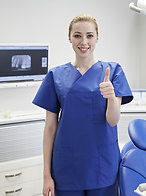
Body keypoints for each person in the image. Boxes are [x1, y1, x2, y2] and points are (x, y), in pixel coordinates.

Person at [33, 14, 133, 196]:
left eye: (89, 35)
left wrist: (111, 96)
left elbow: (113, 120)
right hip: (67, 165)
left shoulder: (113, 71)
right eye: (77, 35)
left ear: (97, 38)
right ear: (69, 38)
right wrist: (46, 175)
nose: (84, 41)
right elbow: (50, 128)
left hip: (102, 164)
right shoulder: (56, 75)